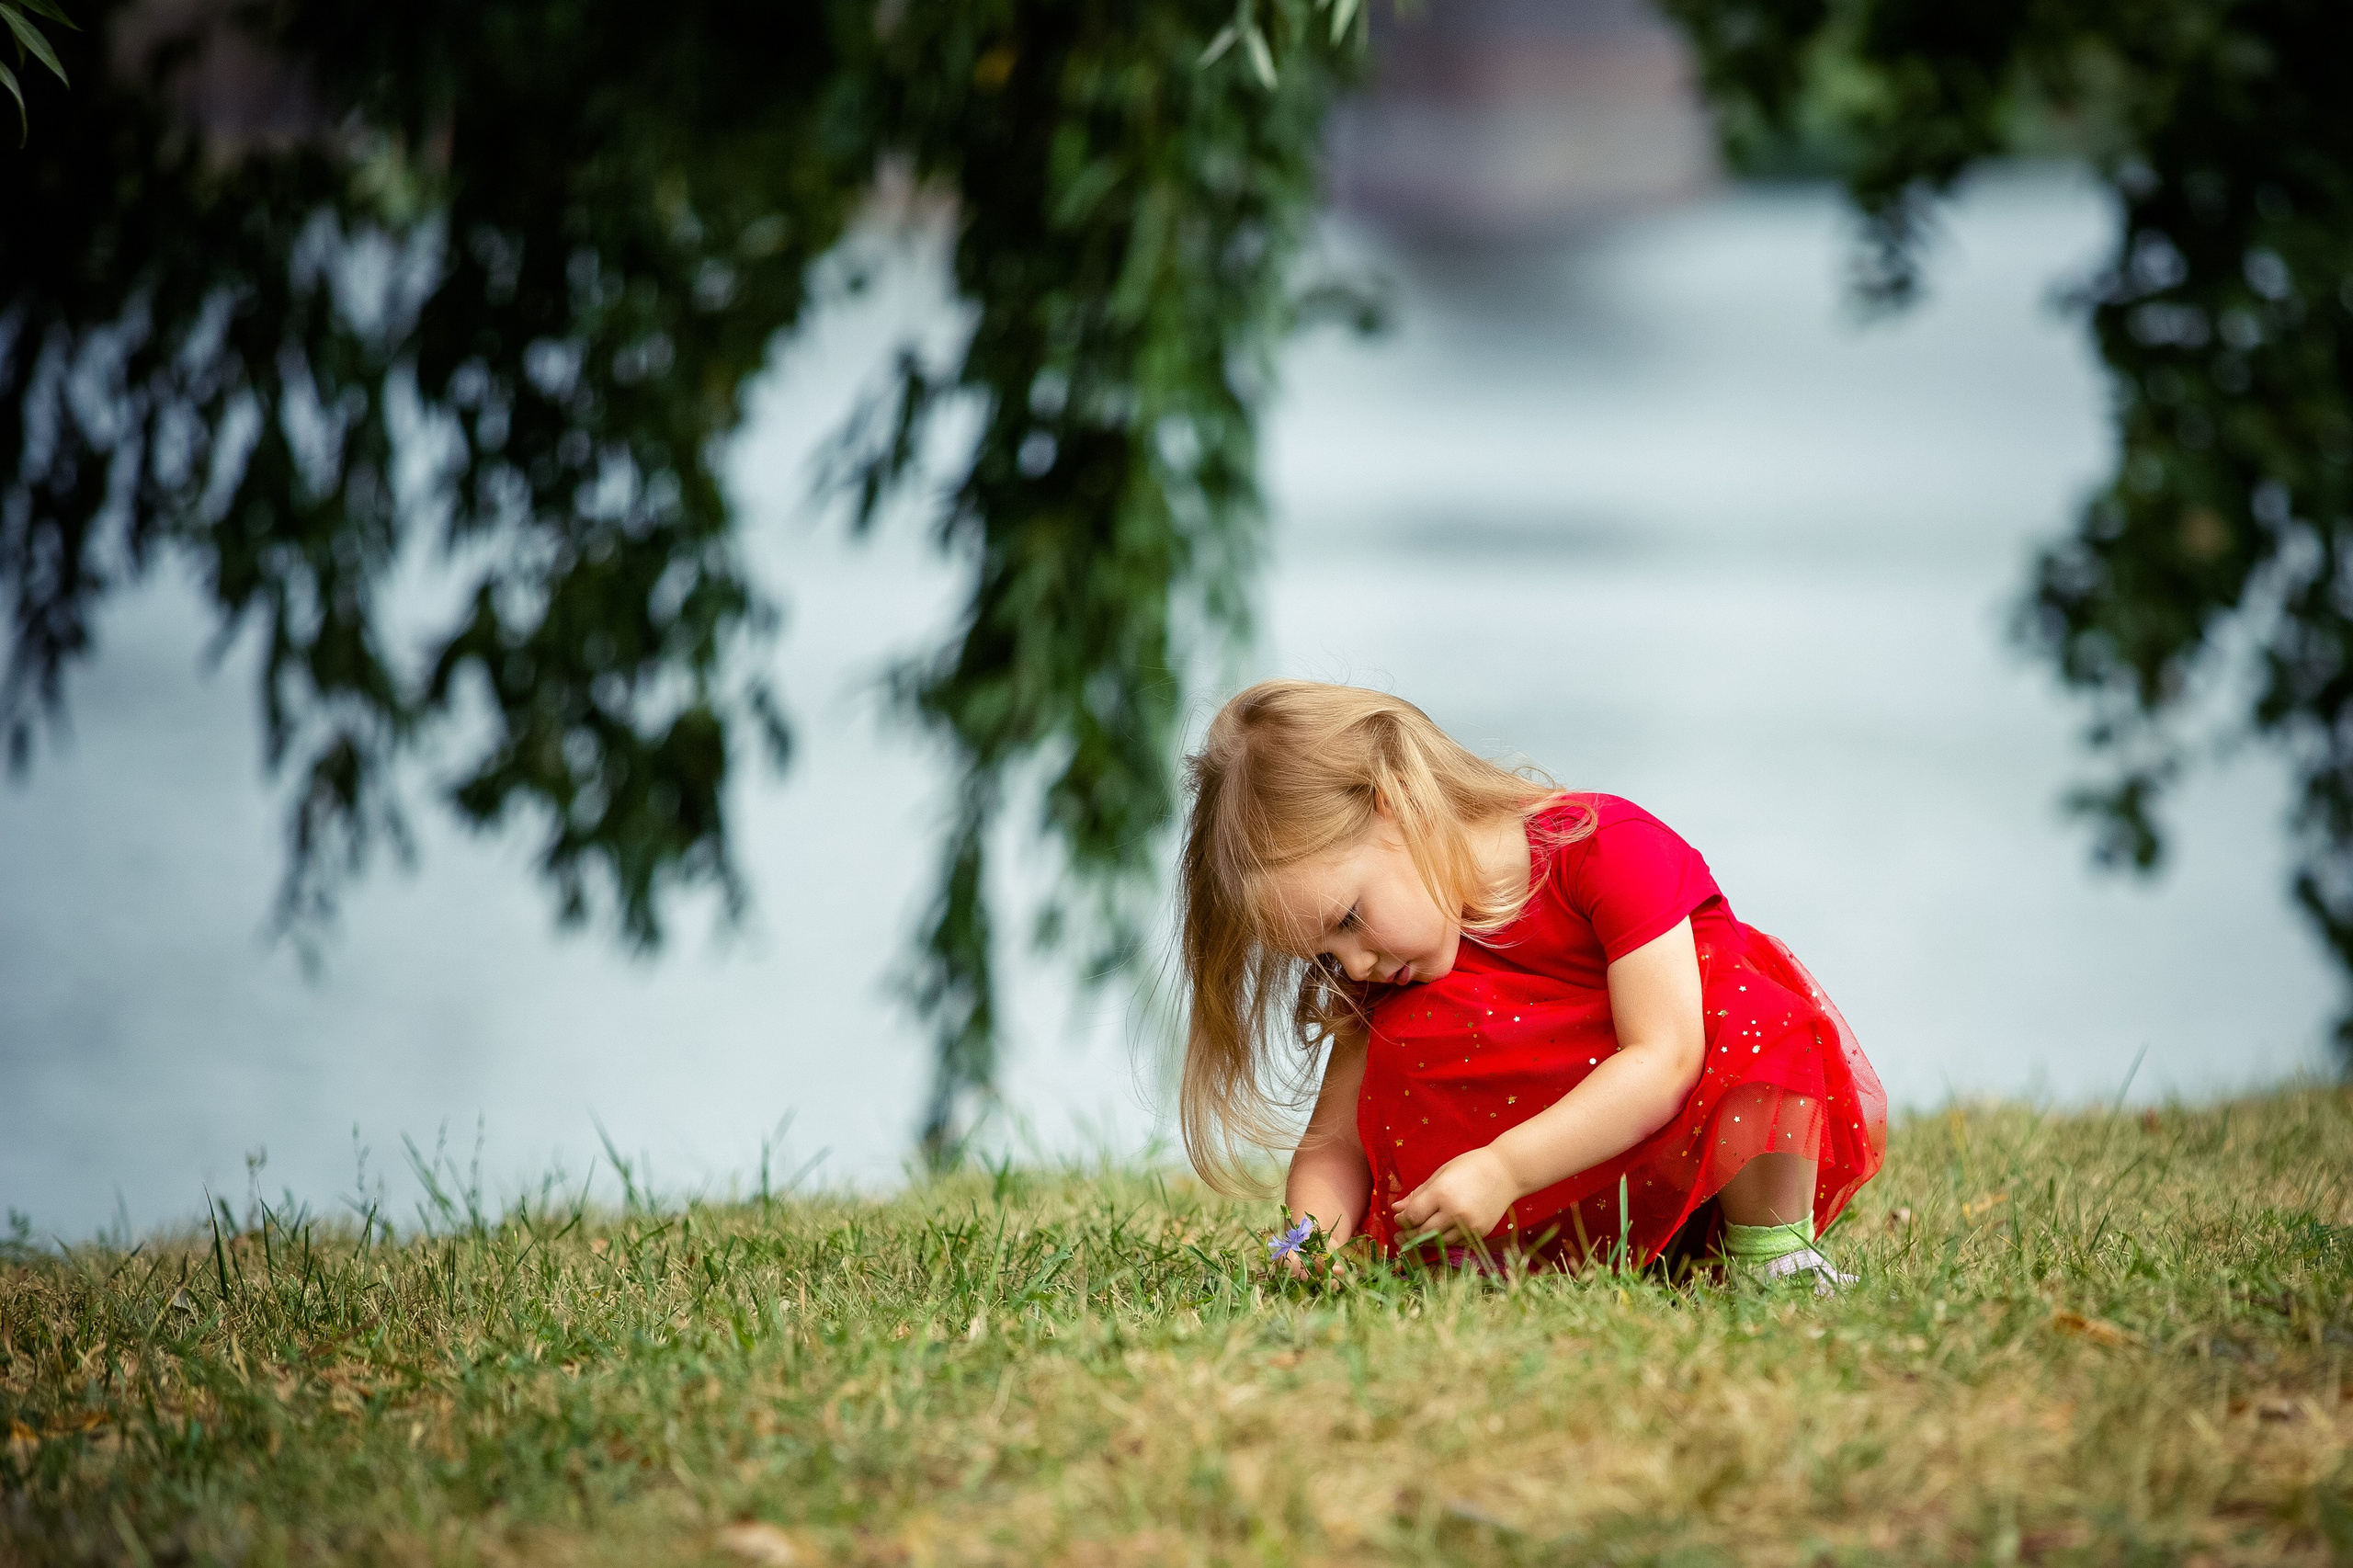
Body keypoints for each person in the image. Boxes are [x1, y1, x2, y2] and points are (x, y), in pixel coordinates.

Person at [1178, 679, 1885, 1280]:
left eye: (1351, 917)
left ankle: (1773, 1259)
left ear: (1399, 800)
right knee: (1407, 1034)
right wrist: (1307, 1247)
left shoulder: (1604, 848)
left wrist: (1505, 1170)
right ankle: (1516, 1259)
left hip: (1683, 1167)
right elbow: (1334, 1145)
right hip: (1544, 1220)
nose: (1354, 964)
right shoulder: (1395, 968)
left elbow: (1666, 1059)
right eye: (1327, 956)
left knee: (1744, 1006)